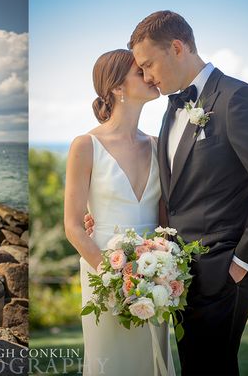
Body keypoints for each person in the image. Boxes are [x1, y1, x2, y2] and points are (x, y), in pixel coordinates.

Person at [85, 11, 248, 375]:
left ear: (178, 48)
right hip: (177, 277)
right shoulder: (170, 110)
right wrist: (103, 218)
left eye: (149, 64)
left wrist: (243, 264)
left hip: (224, 273)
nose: (148, 76)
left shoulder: (236, 99)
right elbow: (174, 194)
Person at [64, 49, 175, 375]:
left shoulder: (158, 145)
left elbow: (165, 219)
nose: (150, 75)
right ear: (116, 87)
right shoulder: (85, 145)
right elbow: (72, 226)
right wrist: (117, 282)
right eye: (139, 71)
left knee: (152, 358)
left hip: (157, 273)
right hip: (104, 271)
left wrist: (165, 271)